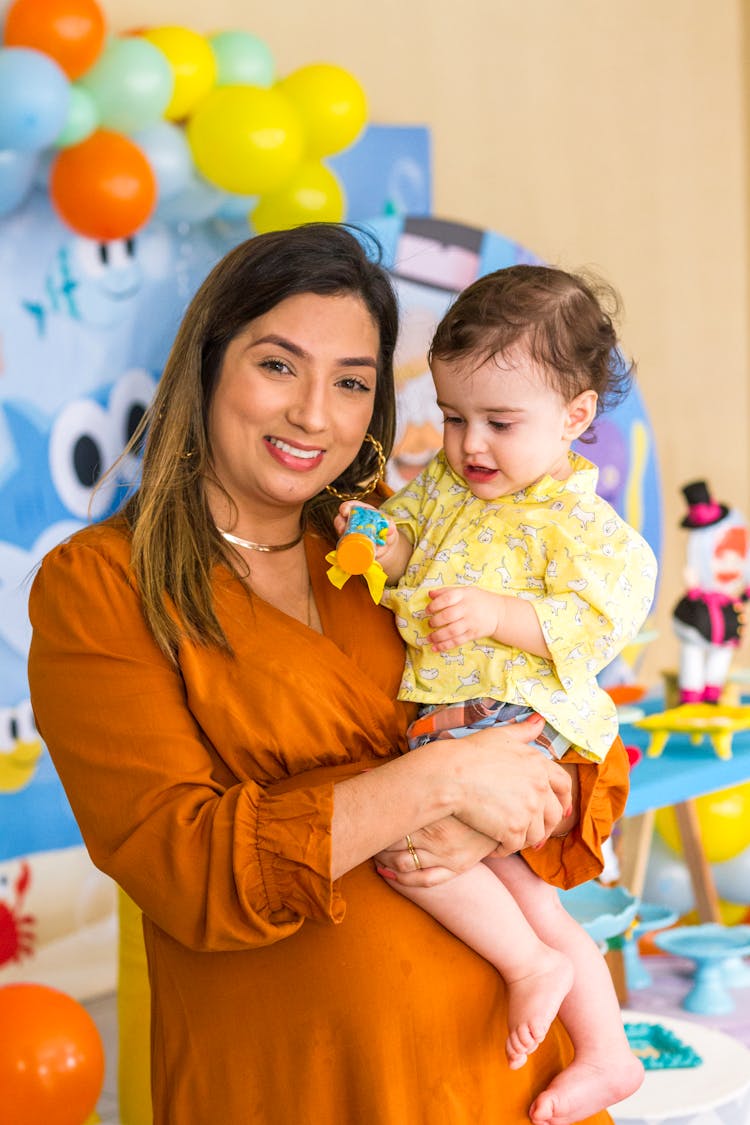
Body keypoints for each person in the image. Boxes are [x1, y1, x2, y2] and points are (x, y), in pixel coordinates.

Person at [28, 224, 631, 1125]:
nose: (315, 414)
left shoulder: (400, 545)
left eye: (352, 381)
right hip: (300, 1086)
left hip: (514, 1084)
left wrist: (523, 796)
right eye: (278, 366)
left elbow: (573, 739)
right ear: (207, 363)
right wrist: (441, 779)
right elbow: (186, 867)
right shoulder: (102, 584)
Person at [336, 265, 655, 1125]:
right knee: (527, 898)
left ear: (576, 417)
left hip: (525, 721)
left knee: (412, 846)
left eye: (500, 422)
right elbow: (415, 560)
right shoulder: (449, 486)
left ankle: (524, 966)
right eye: (452, 417)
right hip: (454, 722)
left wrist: (502, 613)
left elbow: (608, 613)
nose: (470, 444)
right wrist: (379, 542)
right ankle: (606, 1049)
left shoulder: (573, 518)